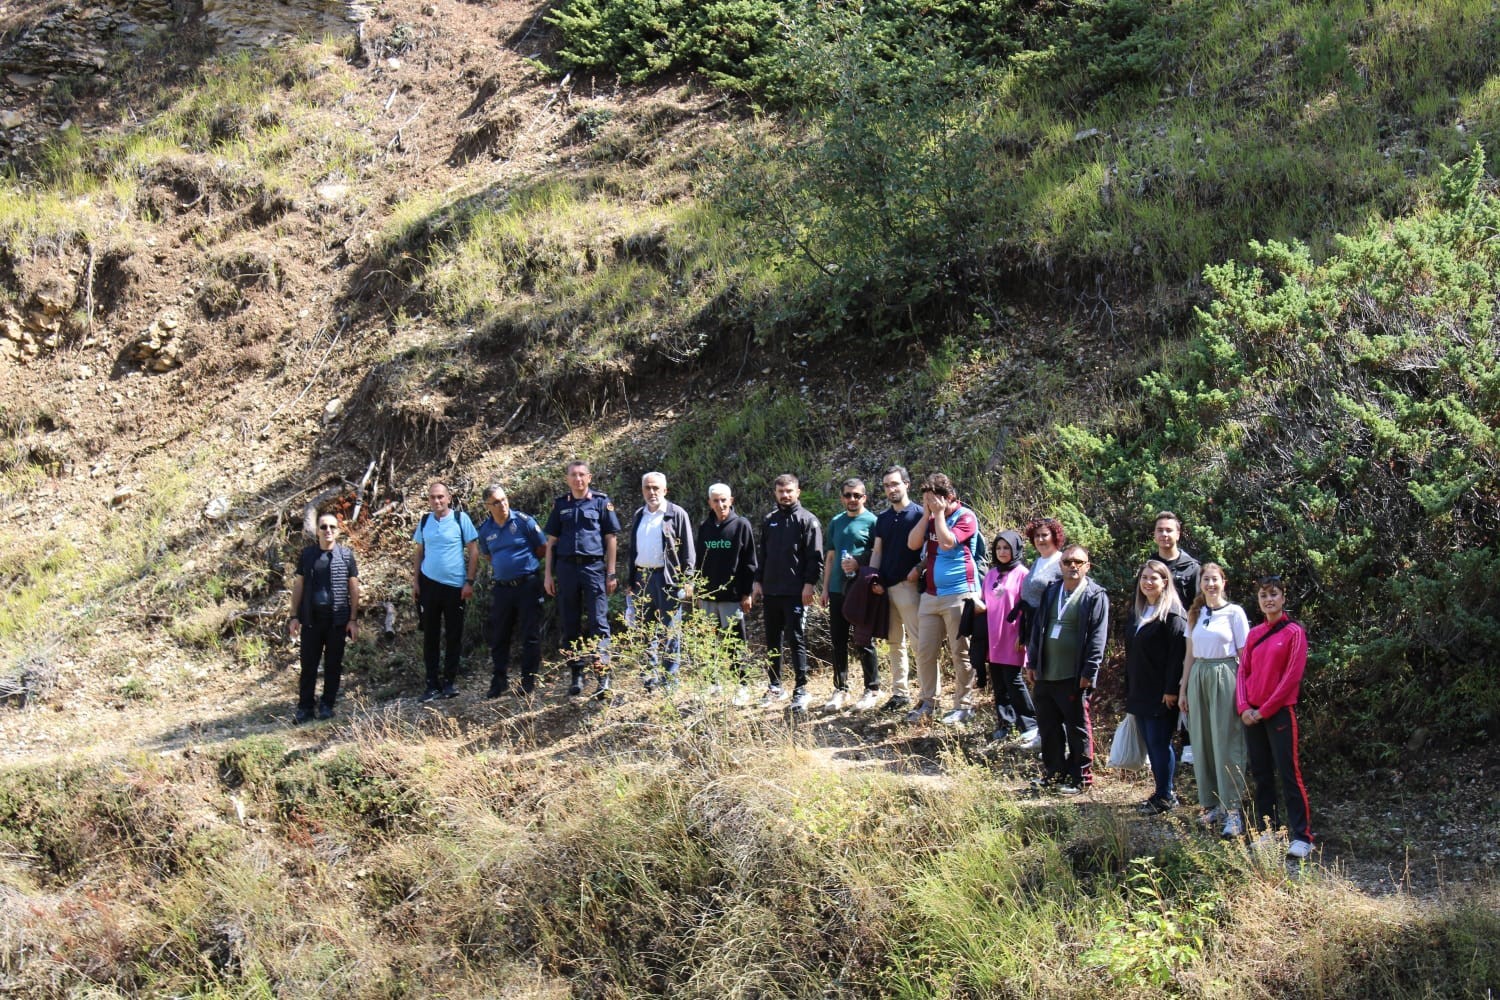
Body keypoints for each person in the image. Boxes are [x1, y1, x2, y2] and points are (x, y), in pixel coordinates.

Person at [1237, 574, 1314, 859]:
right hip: (1252, 715)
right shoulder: (1254, 634)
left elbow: (1291, 678)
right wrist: (1244, 708)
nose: (1268, 600)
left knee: (1288, 773)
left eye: (1274, 594)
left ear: (1283, 598)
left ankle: (1302, 836)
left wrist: (1263, 710)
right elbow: (1243, 673)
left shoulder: (1294, 632)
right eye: (1263, 596)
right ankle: (1267, 830)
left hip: (1278, 713)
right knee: (1261, 775)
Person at [1026, 544, 1109, 792]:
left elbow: (1098, 637)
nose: (1072, 566)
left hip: (1073, 676)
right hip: (1046, 673)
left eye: (1078, 562)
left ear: (1087, 566)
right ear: (1060, 565)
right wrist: (1032, 662)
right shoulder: (1052, 591)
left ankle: (1081, 778)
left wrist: (1089, 672)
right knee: (1048, 727)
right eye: (1067, 562)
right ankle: (1054, 774)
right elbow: (1038, 627)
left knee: (1077, 728)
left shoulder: (1095, 595)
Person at [1181, 563, 1251, 837]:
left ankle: (1233, 810)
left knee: (1226, 740)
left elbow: (1244, 654)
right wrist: (1184, 688)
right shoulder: (1195, 613)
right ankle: (1212, 804)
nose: (1210, 584)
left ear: (1223, 582)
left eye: (1215, 579)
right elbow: (1189, 654)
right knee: (1203, 741)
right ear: (1200, 583)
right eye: (1205, 579)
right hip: (1199, 673)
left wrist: (1246, 691)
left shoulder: (1235, 613)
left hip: (1226, 674)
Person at [904, 473, 980, 724]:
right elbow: (913, 544)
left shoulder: (965, 517)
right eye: (925, 500)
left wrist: (938, 516)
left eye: (934, 500)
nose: (930, 504)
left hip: (959, 594)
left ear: (949, 498)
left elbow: (948, 543)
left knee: (961, 652)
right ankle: (928, 702)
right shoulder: (930, 516)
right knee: (924, 651)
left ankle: (964, 705)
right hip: (931, 595)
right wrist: (927, 515)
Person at [544, 461, 622, 698]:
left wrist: (611, 572)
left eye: (581, 475)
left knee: (599, 623)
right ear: (567, 479)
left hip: (594, 569)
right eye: (573, 475)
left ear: (589, 477)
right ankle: (576, 673)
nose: (577, 479)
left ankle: (603, 676)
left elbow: (611, 538)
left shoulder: (600, 502)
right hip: (566, 569)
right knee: (570, 623)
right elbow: (551, 543)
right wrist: (548, 575)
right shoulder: (560, 505)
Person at [752, 473, 822, 711]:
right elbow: (763, 554)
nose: (785, 495)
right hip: (771, 591)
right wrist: (758, 581)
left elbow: (815, 557)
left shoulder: (807, 520)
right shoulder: (769, 520)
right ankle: (775, 686)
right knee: (772, 641)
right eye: (781, 491)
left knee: (796, 639)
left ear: (797, 492)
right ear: (775, 493)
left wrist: (809, 584)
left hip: (795, 592)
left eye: (789, 491)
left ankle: (801, 689)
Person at [1124, 560, 1189, 814]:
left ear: (1165, 582)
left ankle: (1166, 795)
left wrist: (1171, 689)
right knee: (1151, 746)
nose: (1148, 582)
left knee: (1160, 743)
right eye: (1144, 577)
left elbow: (1177, 656)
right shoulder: (1138, 613)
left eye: (1154, 578)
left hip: (1162, 693)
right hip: (1139, 690)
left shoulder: (1172, 615)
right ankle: (1160, 791)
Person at [475, 483, 547, 698]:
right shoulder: (485, 530)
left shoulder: (524, 522)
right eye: (496, 502)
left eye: (504, 499)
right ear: (488, 506)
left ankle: (528, 681)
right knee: (499, 636)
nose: (502, 504)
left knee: (530, 635)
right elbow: (488, 556)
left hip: (527, 585)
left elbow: (541, 548)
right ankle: (499, 681)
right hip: (502, 589)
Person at [625, 472, 695, 690]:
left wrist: (689, 580)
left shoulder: (676, 514)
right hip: (641, 579)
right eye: (647, 488)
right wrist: (630, 580)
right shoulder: (639, 515)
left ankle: (669, 680)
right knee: (646, 631)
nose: (651, 492)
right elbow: (633, 550)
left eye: (656, 488)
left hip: (668, 580)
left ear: (665, 490)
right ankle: (650, 677)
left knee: (670, 631)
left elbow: (688, 551)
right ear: (642, 490)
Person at [412, 481, 479, 702]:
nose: (437, 501)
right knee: (430, 635)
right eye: (432, 497)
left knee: (453, 635)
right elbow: (419, 552)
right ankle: (432, 684)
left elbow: (474, 551)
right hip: (429, 585)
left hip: (454, 587)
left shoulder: (461, 519)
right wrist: (416, 582)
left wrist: (469, 581)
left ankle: (449, 682)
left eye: (441, 496)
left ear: (449, 498)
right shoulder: (424, 521)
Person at [290, 512, 360, 722]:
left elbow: (354, 588)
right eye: (323, 527)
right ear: (317, 531)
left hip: (337, 620)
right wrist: (293, 616)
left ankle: (327, 704)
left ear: (338, 530)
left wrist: (353, 619)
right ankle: (305, 708)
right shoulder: (307, 555)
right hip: (311, 620)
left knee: (333, 664)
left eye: (332, 527)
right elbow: (299, 585)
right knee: (308, 665)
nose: (327, 530)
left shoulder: (346, 555)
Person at [868, 466, 924, 712]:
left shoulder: (920, 514)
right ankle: (900, 693)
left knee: (919, 642)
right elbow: (877, 551)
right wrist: (872, 579)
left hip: (910, 587)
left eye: (895, 484)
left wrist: (920, 569)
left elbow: (929, 552)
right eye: (887, 485)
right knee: (894, 644)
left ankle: (927, 694)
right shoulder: (882, 519)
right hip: (886, 589)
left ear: (906, 484)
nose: (891, 489)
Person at [696, 482, 758, 702]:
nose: (720, 504)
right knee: (709, 644)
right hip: (708, 597)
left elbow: (750, 562)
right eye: (716, 500)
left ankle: (742, 686)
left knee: (734, 642)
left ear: (731, 501)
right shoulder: (705, 527)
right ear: (709, 503)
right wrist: (698, 592)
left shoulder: (741, 525)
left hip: (732, 597)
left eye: (724, 500)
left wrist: (747, 593)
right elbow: (699, 563)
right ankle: (713, 684)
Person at [823, 478, 879, 711]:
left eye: (857, 495)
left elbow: (878, 553)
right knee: (838, 640)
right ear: (842, 497)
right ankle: (841, 688)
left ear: (864, 497)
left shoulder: (873, 521)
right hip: (837, 589)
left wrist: (860, 564)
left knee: (864, 640)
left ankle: (872, 688)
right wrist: (825, 588)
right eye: (848, 495)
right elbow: (830, 557)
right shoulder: (836, 522)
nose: (852, 499)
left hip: (861, 590)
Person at [979, 529, 1038, 747]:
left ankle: (1029, 724)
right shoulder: (991, 574)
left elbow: (1027, 608)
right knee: (999, 681)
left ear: (1016, 549)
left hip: (1012, 636)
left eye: (1007, 548)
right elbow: (984, 601)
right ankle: (1005, 723)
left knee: (1014, 680)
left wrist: (1023, 636)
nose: (1002, 552)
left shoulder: (1023, 574)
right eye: (999, 548)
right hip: (992, 636)